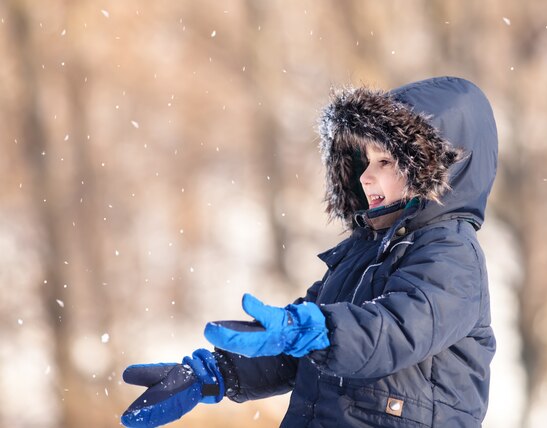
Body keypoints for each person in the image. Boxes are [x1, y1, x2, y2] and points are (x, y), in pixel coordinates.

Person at [121, 76, 498, 428]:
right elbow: (297, 352)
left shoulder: (452, 255)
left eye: (384, 161)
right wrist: (214, 374)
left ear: (437, 166)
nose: (366, 176)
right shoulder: (361, 255)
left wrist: (315, 330)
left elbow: (395, 331)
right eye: (364, 162)